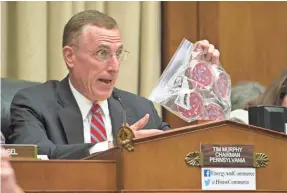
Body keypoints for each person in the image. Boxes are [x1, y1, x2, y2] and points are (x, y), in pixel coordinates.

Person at [8, 10, 221, 159]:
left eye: (118, 53)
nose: (114, 66)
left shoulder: (140, 109)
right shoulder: (34, 103)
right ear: (70, 56)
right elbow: (39, 157)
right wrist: (113, 148)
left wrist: (204, 88)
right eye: (102, 53)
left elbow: (185, 154)